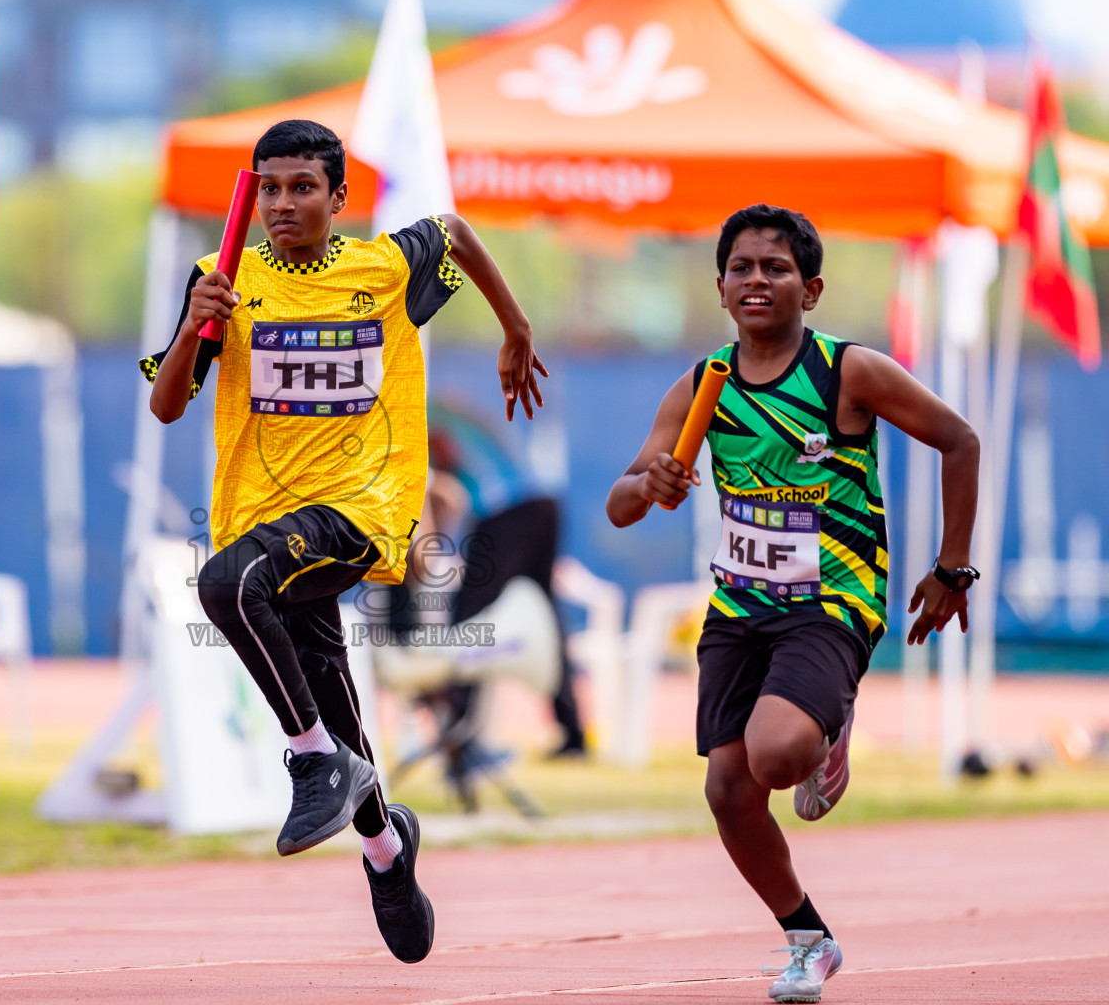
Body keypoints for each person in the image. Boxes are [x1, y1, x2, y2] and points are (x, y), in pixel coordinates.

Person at [141, 119, 547, 964]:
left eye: (302, 188)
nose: (284, 204)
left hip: (364, 505)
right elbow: (167, 405)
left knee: (223, 587)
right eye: (271, 190)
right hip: (262, 512)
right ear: (251, 198)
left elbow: (456, 231)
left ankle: (310, 763)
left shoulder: (385, 268)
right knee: (324, 679)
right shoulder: (223, 276)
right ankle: (384, 846)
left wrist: (514, 327)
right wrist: (192, 331)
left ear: (338, 197)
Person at [605, 204, 978, 1003]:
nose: (756, 281)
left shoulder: (850, 373)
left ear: (809, 290)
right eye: (741, 268)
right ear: (719, 287)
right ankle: (808, 939)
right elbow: (621, 501)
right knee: (728, 792)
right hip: (739, 606)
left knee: (776, 755)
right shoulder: (703, 384)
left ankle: (824, 728)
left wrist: (953, 567)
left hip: (831, 602)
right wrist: (652, 482)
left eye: (775, 269)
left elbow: (960, 440)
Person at [429, 398, 587, 759]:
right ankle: (573, 733)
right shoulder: (453, 409)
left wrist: (436, 541)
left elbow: (444, 478)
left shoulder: (419, 416)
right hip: (541, 505)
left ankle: (459, 731)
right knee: (547, 618)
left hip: (504, 512)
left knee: (467, 615)